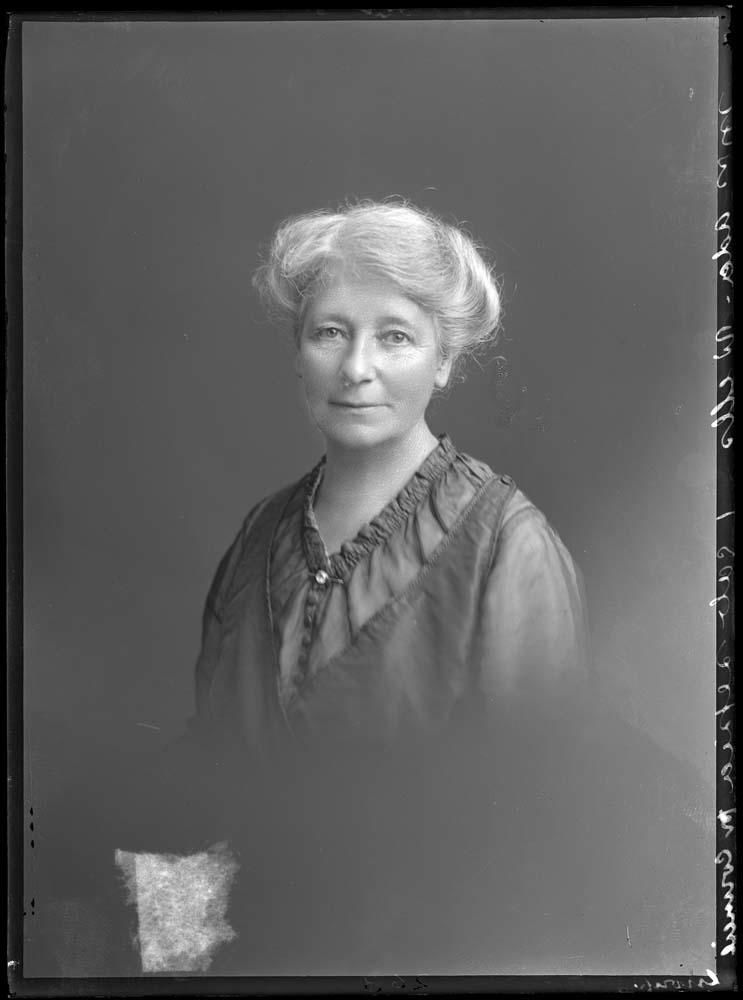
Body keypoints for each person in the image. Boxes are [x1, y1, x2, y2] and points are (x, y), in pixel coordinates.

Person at [39, 200, 712, 977]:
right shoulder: (260, 535)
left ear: (445, 360)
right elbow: (220, 770)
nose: (356, 367)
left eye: (395, 336)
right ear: (298, 352)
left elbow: (537, 818)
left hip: (447, 960)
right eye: (330, 332)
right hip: (270, 959)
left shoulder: (504, 545)